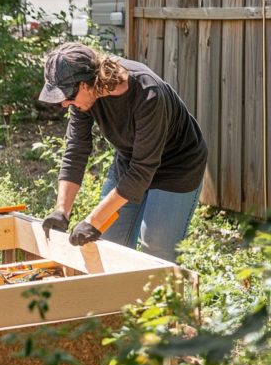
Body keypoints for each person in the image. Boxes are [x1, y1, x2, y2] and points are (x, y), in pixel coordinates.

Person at [39, 42, 207, 262]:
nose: (64, 103)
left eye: (67, 95)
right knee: (109, 244)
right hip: (132, 161)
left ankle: (165, 296)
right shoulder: (83, 100)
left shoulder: (148, 93)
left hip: (177, 166)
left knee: (157, 248)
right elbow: (76, 149)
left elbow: (142, 169)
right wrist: (62, 210)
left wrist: (93, 220)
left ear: (85, 83)